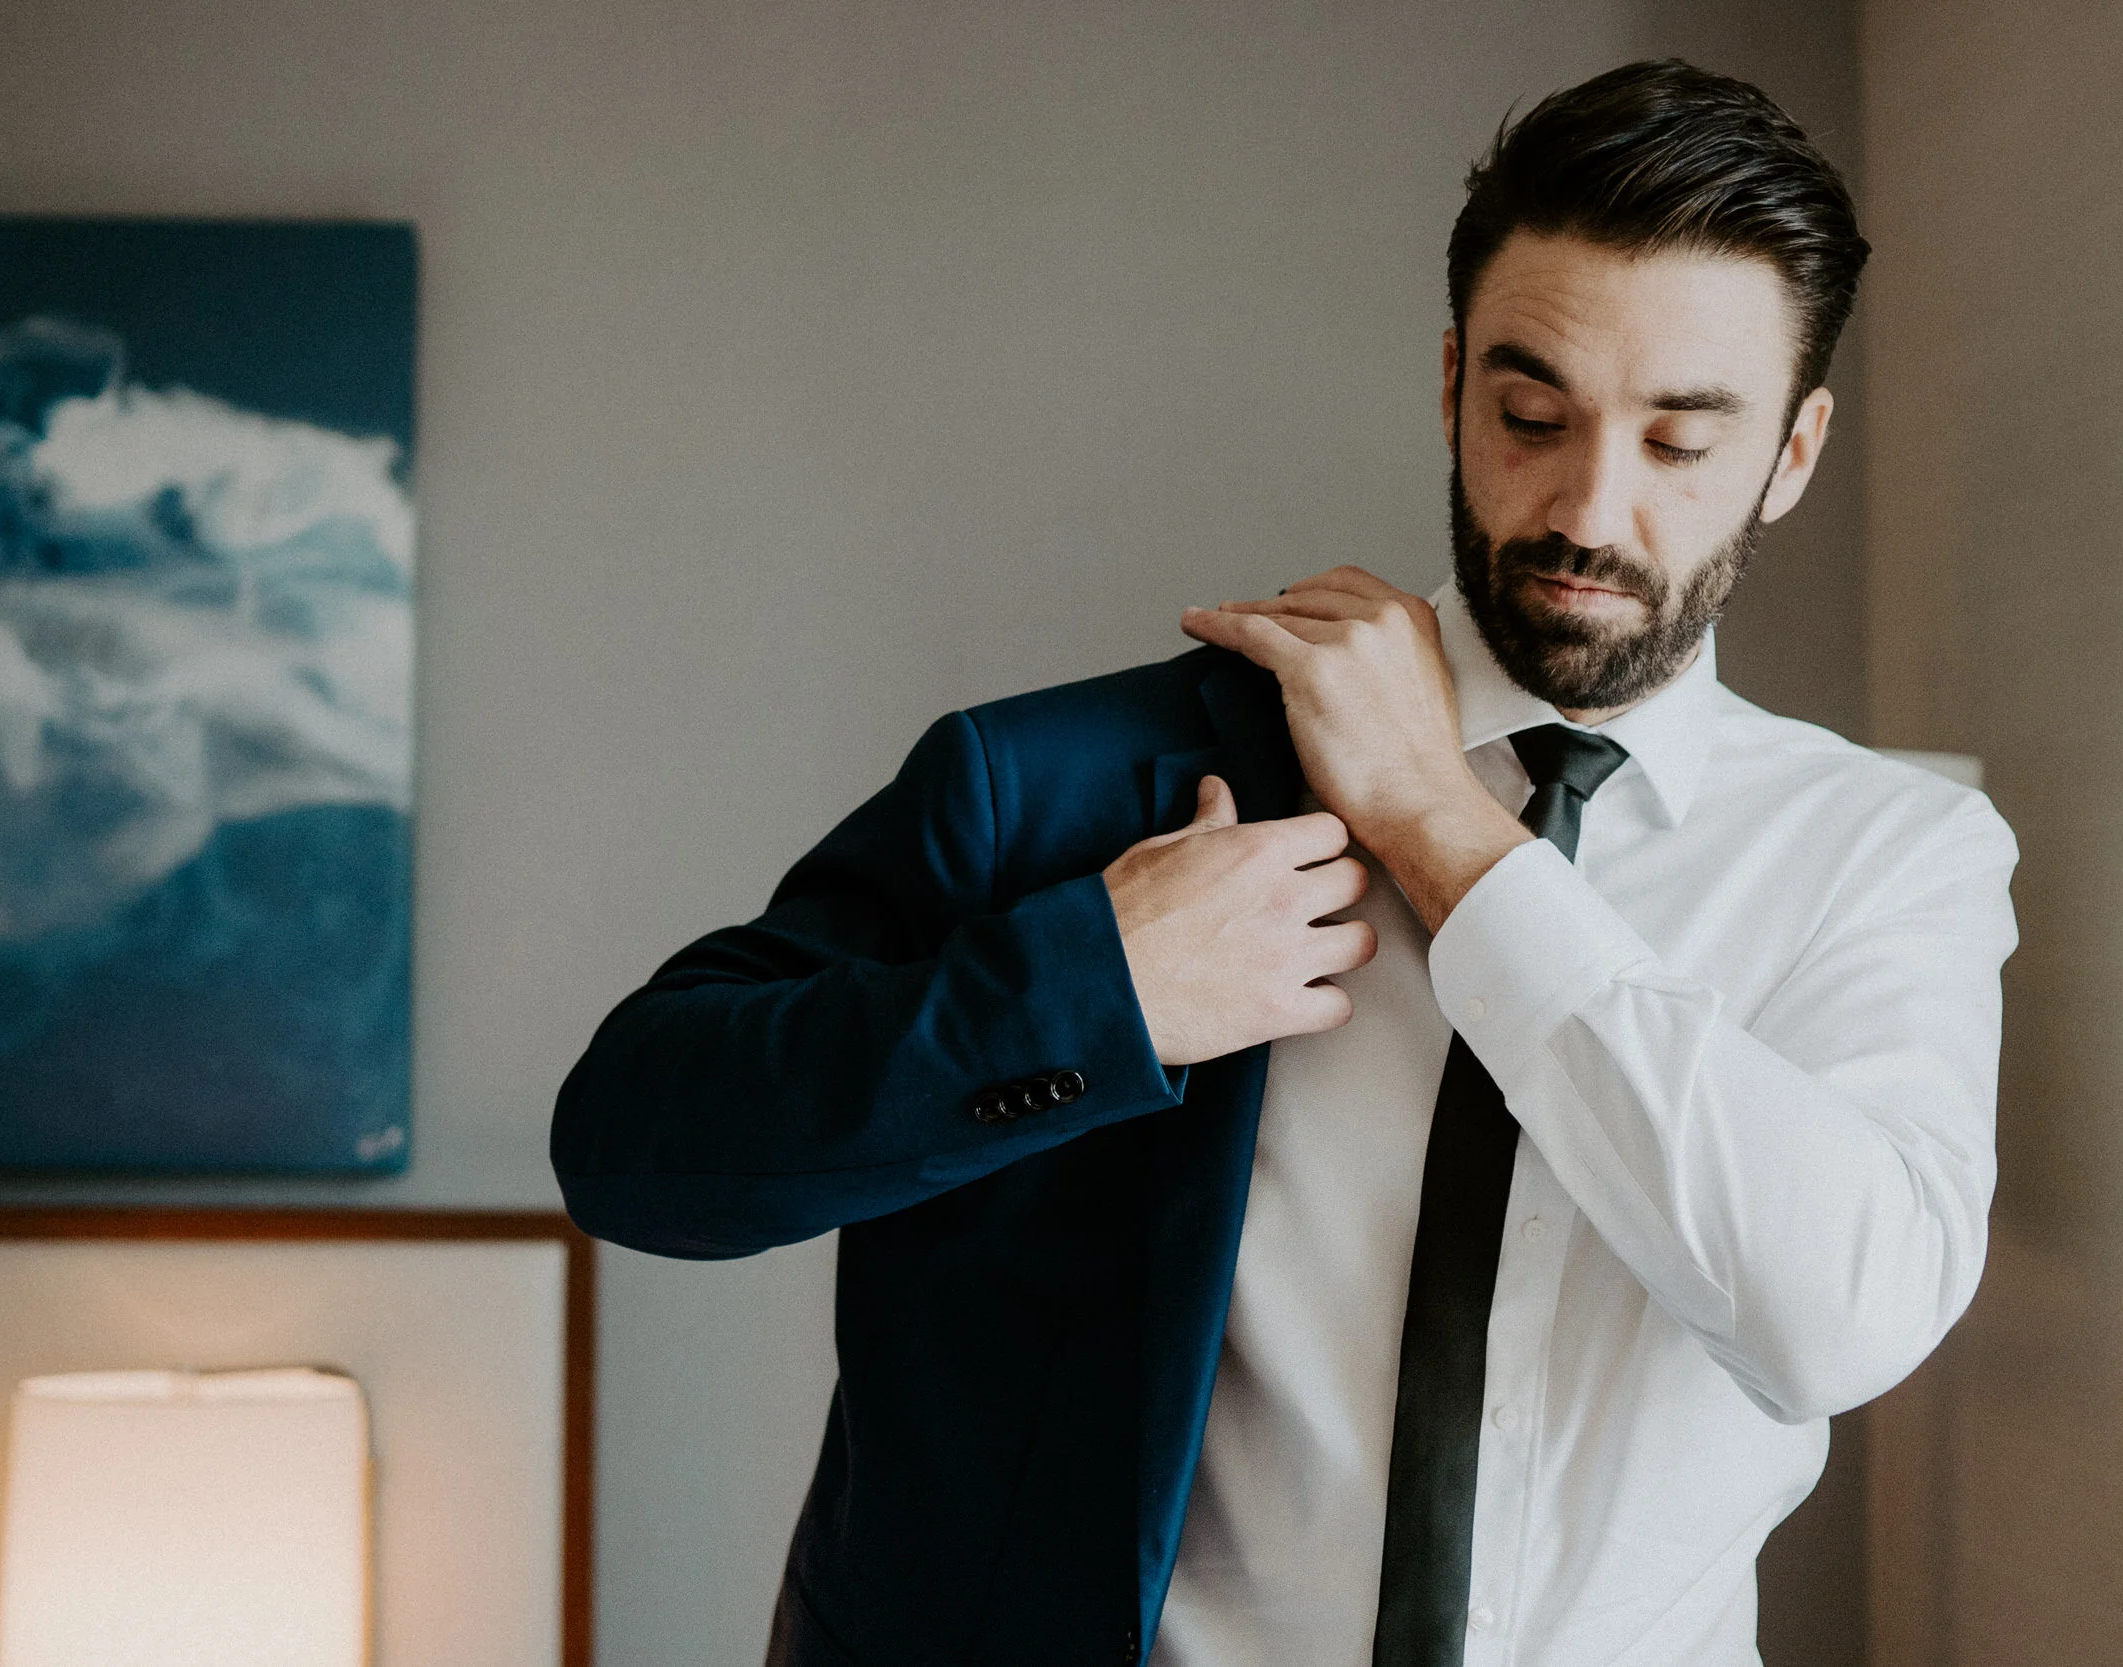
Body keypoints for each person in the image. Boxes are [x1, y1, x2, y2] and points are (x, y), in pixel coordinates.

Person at [554, 58, 2018, 1667]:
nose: (1589, 508)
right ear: (1454, 380)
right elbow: (634, 1143)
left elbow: (1838, 1318)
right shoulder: (1077, 782)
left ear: (1794, 454)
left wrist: (1442, 832)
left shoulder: (1893, 858)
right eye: (1534, 416)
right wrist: (1087, 990)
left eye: (1681, 441)